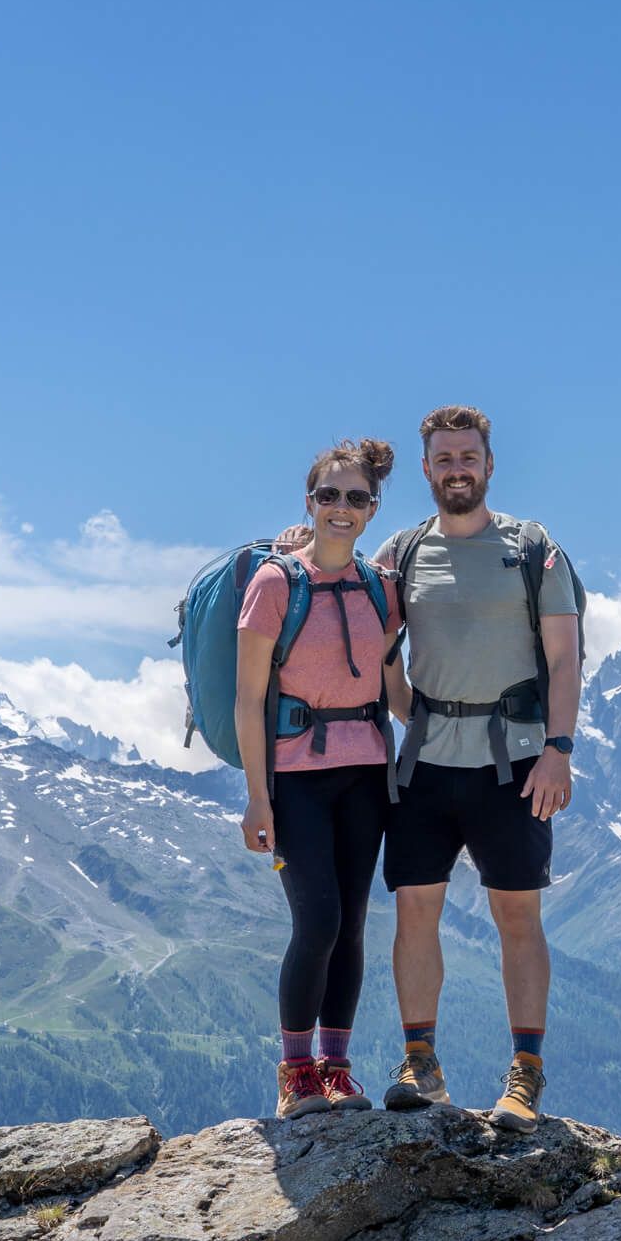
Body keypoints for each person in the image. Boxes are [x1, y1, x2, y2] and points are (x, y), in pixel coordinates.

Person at [377, 405, 580, 1133]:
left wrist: (559, 749)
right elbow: (368, 639)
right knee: (415, 910)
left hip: (516, 764)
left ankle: (525, 1074)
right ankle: (420, 1064)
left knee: (517, 914)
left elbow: (564, 656)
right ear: (426, 469)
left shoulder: (531, 548)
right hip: (426, 763)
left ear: (489, 465)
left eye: (468, 457)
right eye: (443, 458)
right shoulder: (400, 554)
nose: (456, 468)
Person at [236, 439, 401, 1119]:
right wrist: (255, 796)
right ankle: (296, 1074)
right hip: (296, 778)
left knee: (354, 924)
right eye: (329, 496)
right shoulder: (275, 583)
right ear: (309, 503)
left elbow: (397, 691)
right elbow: (249, 698)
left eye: (355, 497)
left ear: (372, 509)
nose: (341, 508)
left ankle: (336, 1069)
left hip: (366, 774)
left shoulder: (381, 587)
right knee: (319, 920)